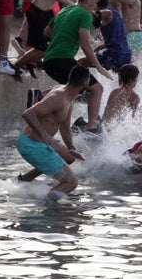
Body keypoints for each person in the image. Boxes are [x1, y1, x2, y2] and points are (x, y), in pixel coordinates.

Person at [42, 0, 113, 134]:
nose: (95, 6)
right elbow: (85, 44)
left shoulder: (64, 11)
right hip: (63, 59)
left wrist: (65, 34)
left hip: (49, 60)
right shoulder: (85, 14)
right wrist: (98, 67)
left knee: (72, 89)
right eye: (94, 2)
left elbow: (46, 32)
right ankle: (92, 127)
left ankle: (39, 96)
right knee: (97, 88)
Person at [17, 65, 88, 202]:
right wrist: (45, 136)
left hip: (40, 143)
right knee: (71, 182)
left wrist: (71, 148)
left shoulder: (69, 96)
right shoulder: (59, 98)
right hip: (32, 145)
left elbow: (65, 126)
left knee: (69, 158)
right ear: (85, 83)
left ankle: (25, 179)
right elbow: (28, 113)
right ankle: (48, 207)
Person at [14, 0, 83, 77]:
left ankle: (32, 61)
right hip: (37, 12)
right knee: (41, 48)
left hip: (47, 14)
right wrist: (76, 8)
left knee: (52, 42)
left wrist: (83, 6)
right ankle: (17, 65)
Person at [83, 0, 131, 73]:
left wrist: (81, 6)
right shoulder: (116, 13)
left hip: (114, 55)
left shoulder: (107, 13)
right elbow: (116, 39)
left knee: (80, 62)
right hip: (126, 54)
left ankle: (80, 84)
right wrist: (99, 48)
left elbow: (93, 15)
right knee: (125, 80)